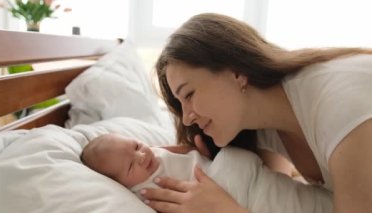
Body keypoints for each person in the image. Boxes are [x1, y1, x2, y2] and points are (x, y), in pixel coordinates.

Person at [139, 12, 372, 213]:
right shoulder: (262, 124)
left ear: (237, 72)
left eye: (189, 95)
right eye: (181, 105)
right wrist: (201, 164)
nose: (187, 116)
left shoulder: (340, 106)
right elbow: (271, 196)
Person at [81, 133, 333, 213]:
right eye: (129, 166)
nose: (141, 156)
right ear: (122, 183)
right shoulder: (143, 191)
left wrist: (196, 149)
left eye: (136, 146)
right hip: (231, 195)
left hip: (241, 177)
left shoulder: (153, 152)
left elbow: (182, 150)